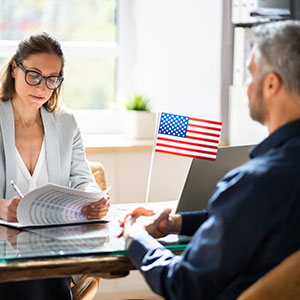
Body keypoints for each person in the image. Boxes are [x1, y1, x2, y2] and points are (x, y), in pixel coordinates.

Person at [120, 20, 300, 300]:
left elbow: (182, 283)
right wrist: (178, 222)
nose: (246, 86)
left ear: (271, 83)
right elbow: (255, 217)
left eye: (250, 74)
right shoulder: (269, 183)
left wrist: (136, 236)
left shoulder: (256, 182)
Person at [0, 32, 110, 299]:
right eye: (34, 75)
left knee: (43, 277)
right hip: (4, 250)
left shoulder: (66, 123)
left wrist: (94, 198)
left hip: (52, 248)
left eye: (52, 79)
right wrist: (1, 207)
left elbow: (82, 177)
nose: (42, 88)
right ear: (15, 68)